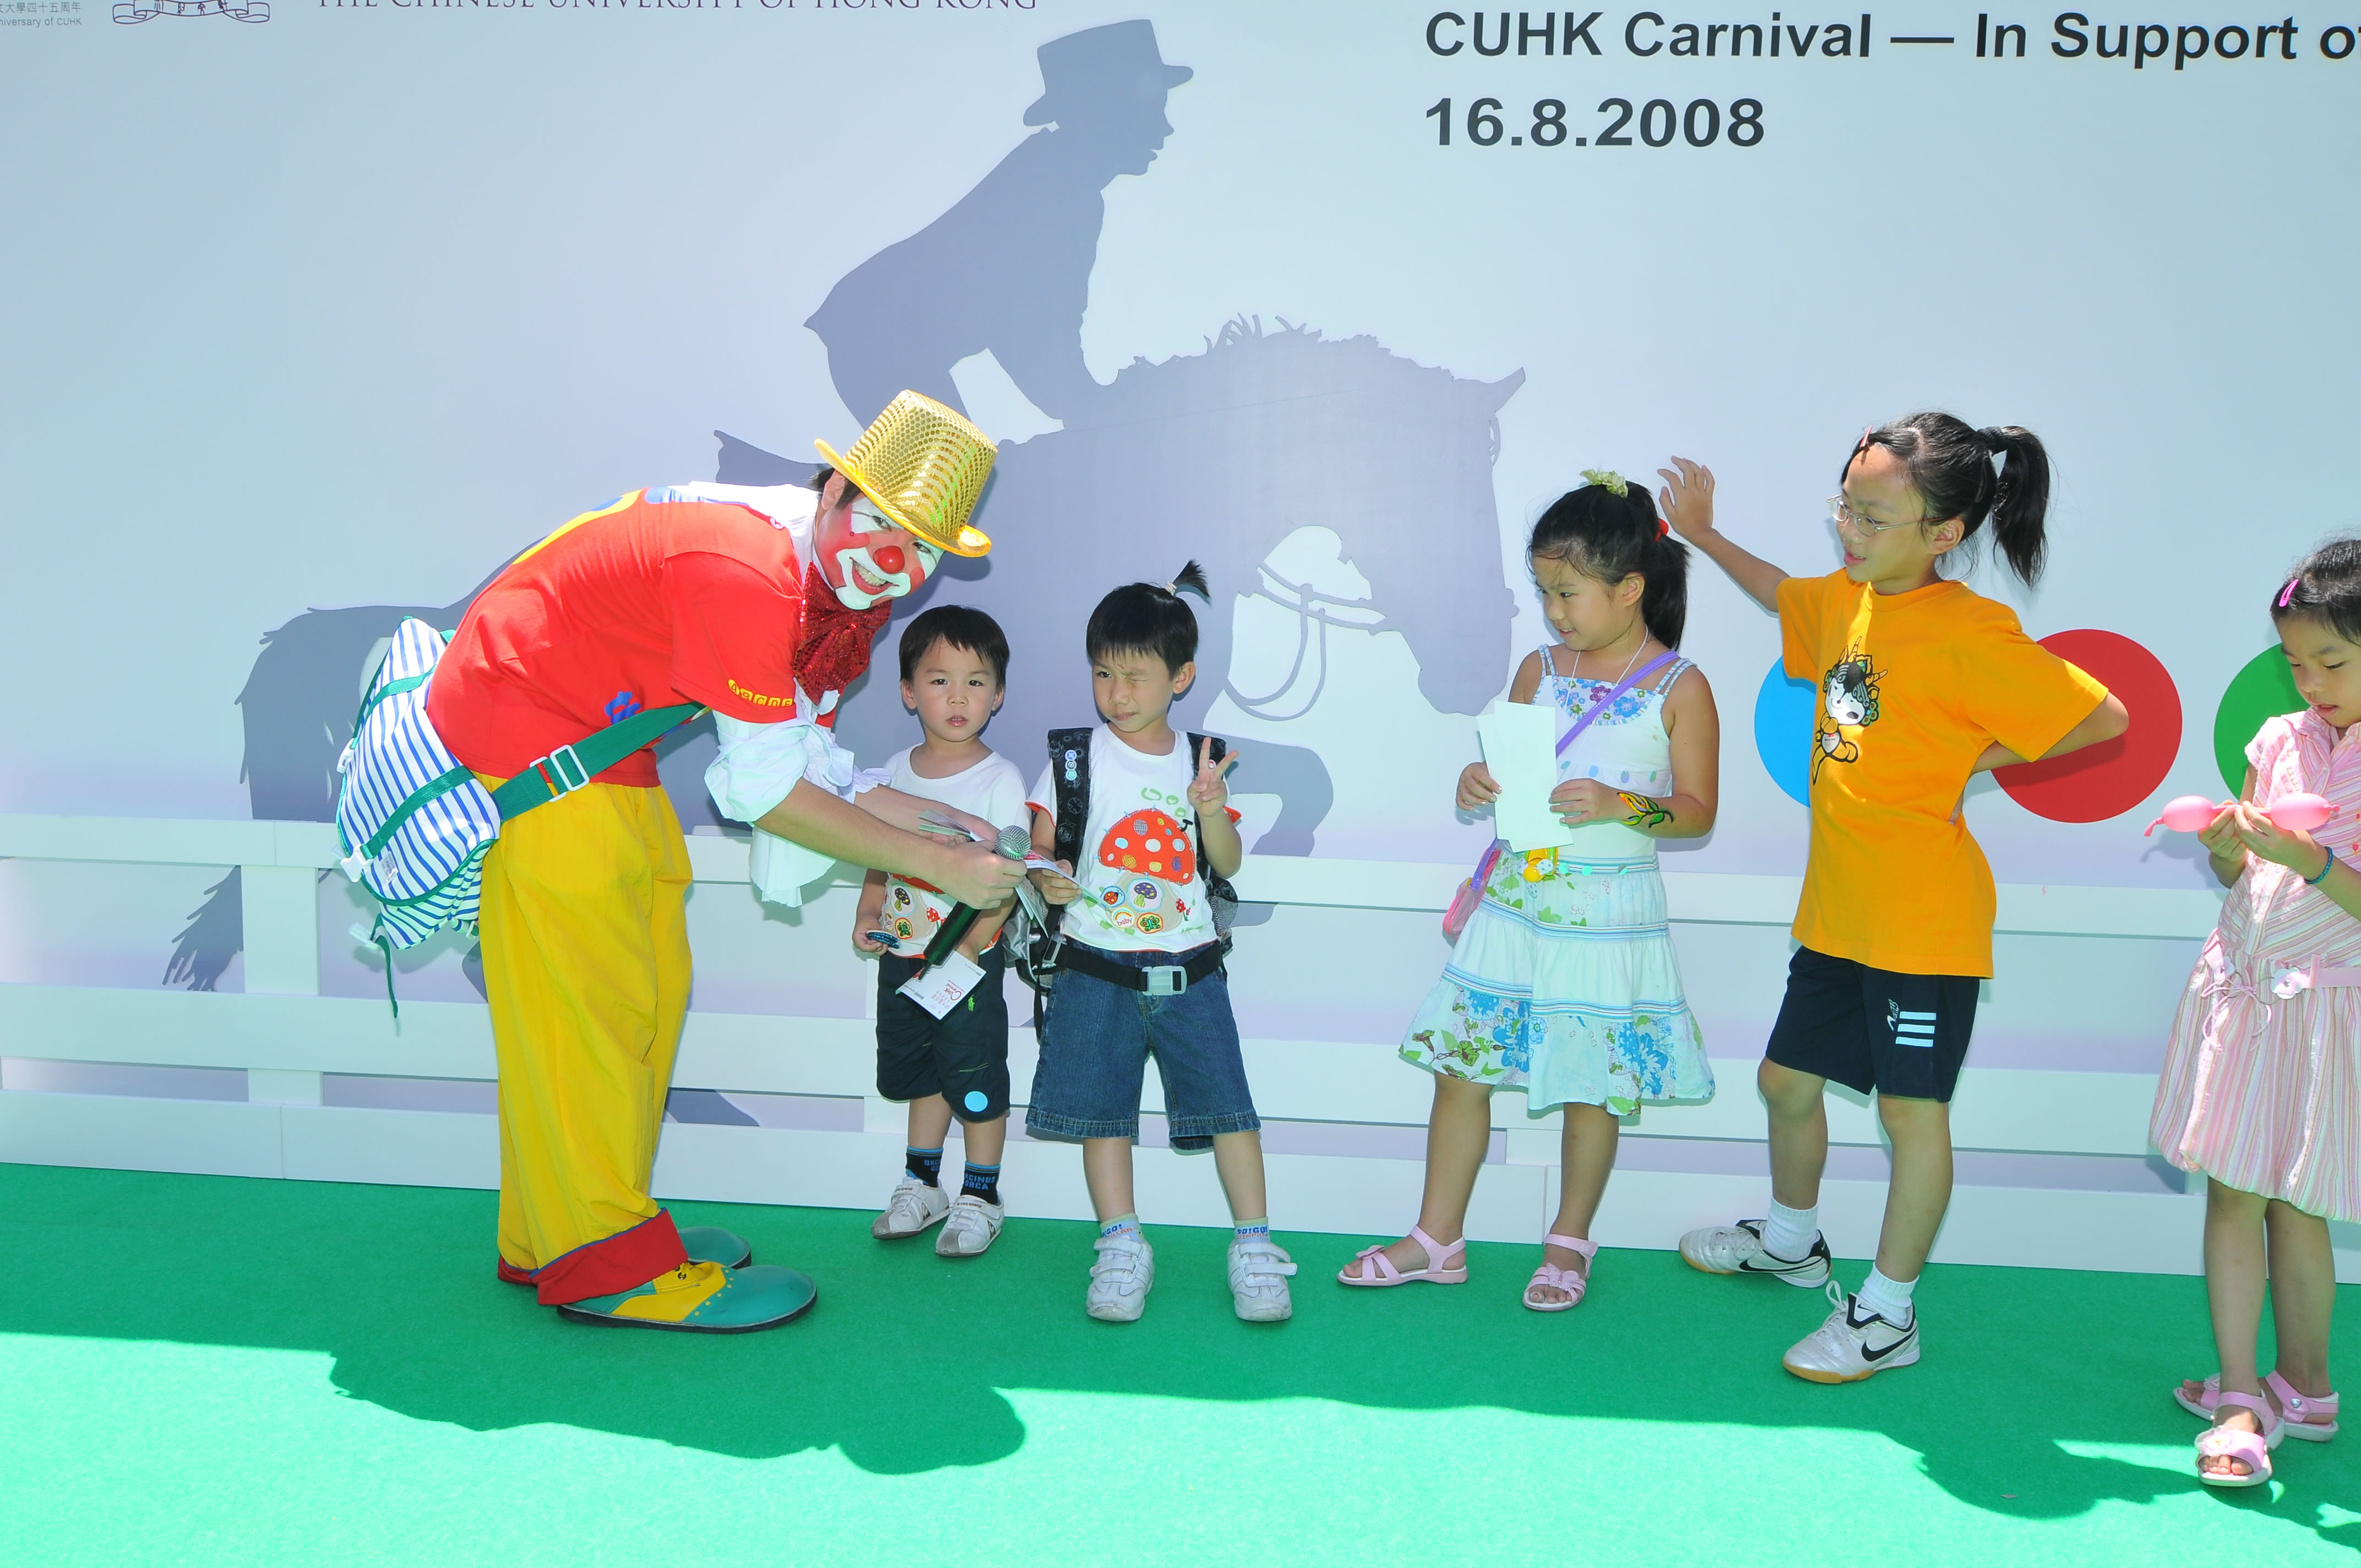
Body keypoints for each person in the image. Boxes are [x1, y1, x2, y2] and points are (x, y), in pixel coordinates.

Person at [426, 390, 1026, 1333]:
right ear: (834, 489)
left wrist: (933, 824)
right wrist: (930, 865)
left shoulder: (806, 567)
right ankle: (603, 1256)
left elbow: (799, 763)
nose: (898, 567)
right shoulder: (746, 573)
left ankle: (558, 1229)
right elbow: (761, 793)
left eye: (923, 551)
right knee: (596, 1002)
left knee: (647, 987)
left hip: (594, 744)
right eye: (885, 527)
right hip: (538, 746)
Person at [1666, 415, 2129, 1380]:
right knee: (1784, 1084)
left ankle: (1886, 1314)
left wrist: (1970, 758)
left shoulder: (1973, 631)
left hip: (1923, 923)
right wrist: (1703, 534)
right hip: (1838, 911)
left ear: (1943, 532)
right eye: (1844, 504)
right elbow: (1783, 594)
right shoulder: (1845, 597)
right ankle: (1793, 1242)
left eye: (1872, 514)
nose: (1849, 527)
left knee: (1910, 1116)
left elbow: (2103, 716)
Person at [1338, 472, 1720, 1310]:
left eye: (1568, 593)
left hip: (1610, 917)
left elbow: (1697, 813)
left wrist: (1625, 805)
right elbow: (1512, 781)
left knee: (1592, 1082)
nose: (1553, 611)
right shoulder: (1536, 669)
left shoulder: (1680, 685)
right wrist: (1479, 782)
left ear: (1631, 589)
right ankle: (1436, 1239)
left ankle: (1569, 1243)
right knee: (1461, 1069)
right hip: (1519, 904)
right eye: (1545, 590)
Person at [1024, 564, 1296, 1323]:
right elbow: (1045, 849)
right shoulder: (1074, 759)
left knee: (1230, 1112)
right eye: (1104, 673)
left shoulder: (1201, 760)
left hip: (1192, 968)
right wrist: (1045, 879)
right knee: (1102, 1115)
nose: (1117, 692)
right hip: (1093, 968)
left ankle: (1253, 1245)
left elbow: (1229, 863)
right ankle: (1119, 1244)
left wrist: (1210, 808)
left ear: (1181, 677)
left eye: (1136, 675)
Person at [2152, 545, 2360, 1487]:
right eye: (2295, 660)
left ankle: (2305, 1385)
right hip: (2243, 988)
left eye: (2331, 661)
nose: (2309, 680)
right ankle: (2241, 1393)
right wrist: (2232, 846)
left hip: (2325, 1005)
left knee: (2298, 1195)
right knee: (2235, 1185)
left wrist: (2308, 857)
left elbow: (2330, 881)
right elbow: (2243, 870)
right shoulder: (2276, 737)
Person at [804, 19, 1192, 427]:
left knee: (957, 476)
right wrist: (1085, 406)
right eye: (1151, 109)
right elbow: (1028, 326)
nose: (1164, 128)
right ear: (1106, 109)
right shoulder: (1057, 188)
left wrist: (1082, 402)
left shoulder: (1058, 181)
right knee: (952, 479)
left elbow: (1041, 324)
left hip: (876, 331)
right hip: (877, 335)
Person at [856, 605, 1031, 1259]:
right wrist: (868, 912)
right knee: (921, 1071)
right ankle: (920, 1182)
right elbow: (877, 849)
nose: (958, 697)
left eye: (976, 680)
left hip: (967, 962)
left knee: (975, 1075)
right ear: (907, 692)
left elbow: (1011, 876)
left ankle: (981, 1195)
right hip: (903, 958)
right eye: (938, 680)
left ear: (999, 692)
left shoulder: (999, 779)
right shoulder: (889, 775)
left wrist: (967, 946)